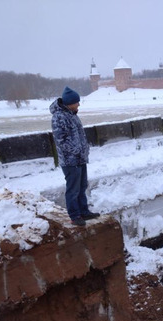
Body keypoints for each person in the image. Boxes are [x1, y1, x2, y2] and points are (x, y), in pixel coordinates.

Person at [50, 86, 100, 226]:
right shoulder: (59, 117)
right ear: (69, 103)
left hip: (80, 158)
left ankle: (84, 211)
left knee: (82, 185)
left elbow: (78, 136)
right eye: (77, 102)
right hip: (70, 161)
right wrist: (76, 150)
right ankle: (74, 216)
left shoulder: (72, 115)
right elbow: (61, 140)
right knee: (73, 189)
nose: (79, 104)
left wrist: (84, 150)